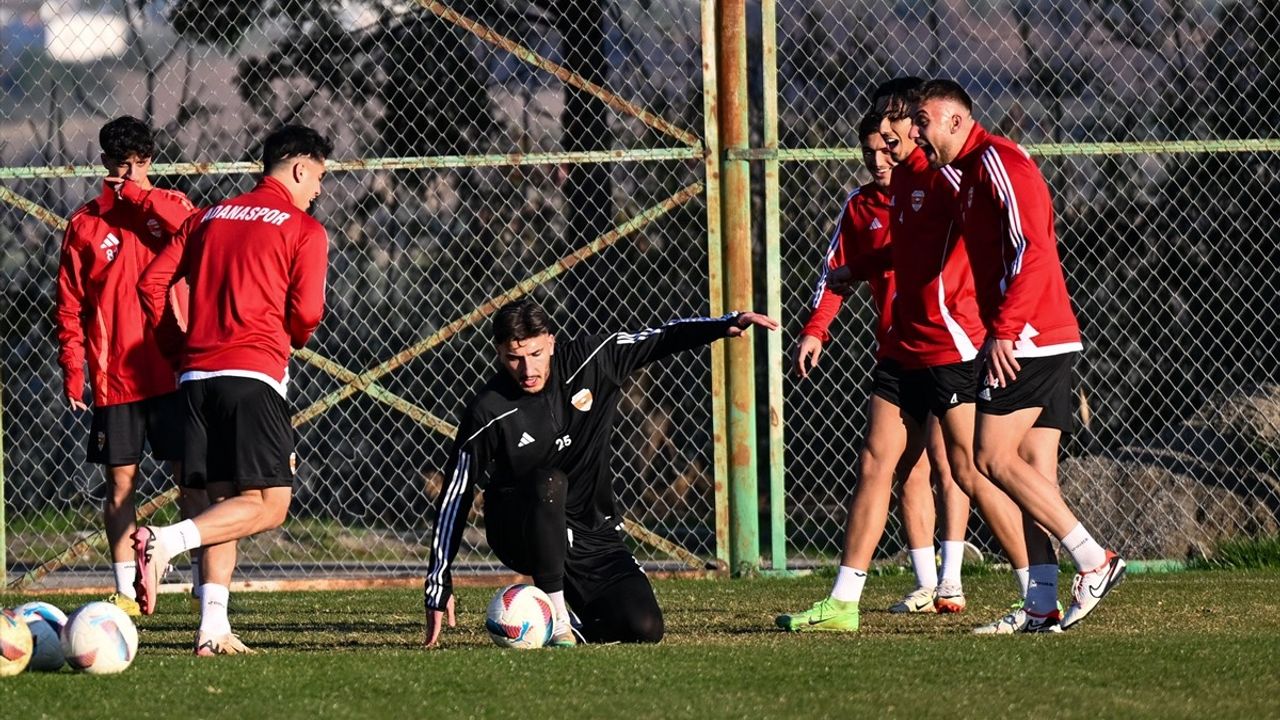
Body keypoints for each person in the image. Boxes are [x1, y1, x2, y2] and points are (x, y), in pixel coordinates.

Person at [777, 78, 1029, 634]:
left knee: (969, 466)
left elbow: (997, 238)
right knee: (875, 463)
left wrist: (1001, 320)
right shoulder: (887, 191)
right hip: (899, 351)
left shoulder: (946, 178)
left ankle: (1038, 589)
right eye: (879, 130)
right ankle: (844, 603)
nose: (885, 139)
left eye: (895, 124)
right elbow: (894, 251)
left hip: (950, 347)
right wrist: (831, 306)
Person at [424, 299, 778, 647]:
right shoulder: (488, 409)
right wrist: (439, 583)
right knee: (550, 482)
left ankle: (562, 625)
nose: (527, 370)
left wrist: (721, 325)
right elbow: (457, 492)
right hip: (520, 528)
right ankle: (558, 620)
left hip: (590, 529)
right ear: (499, 353)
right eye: (513, 358)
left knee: (644, 627)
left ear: (551, 340)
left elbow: (657, 338)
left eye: (535, 354)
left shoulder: (594, 360)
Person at [908, 79, 1125, 631]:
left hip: (1028, 338)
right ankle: (1040, 604)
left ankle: (1094, 559)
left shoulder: (1000, 161)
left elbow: (1035, 248)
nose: (915, 132)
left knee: (988, 459)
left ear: (957, 122)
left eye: (923, 120)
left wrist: (1003, 330)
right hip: (1031, 336)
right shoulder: (964, 177)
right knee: (1026, 474)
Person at [134, 124, 332, 655]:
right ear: (297, 168)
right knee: (270, 505)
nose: (318, 189)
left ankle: (212, 629)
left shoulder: (206, 217)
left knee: (221, 503)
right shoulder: (303, 228)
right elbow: (308, 313)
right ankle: (165, 541)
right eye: (318, 176)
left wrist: (179, 349)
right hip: (252, 375)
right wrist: (293, 333)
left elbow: (150, 284)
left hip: (195, 381)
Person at [790, 110, 971, 615]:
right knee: (893, 464)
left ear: (909, 140)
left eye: (887, 147)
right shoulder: (859, 205)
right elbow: (836, 275)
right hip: (895, 351)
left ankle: (956, 579)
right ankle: (921, 583)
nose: (878, 158)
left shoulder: (937, 187)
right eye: (868, 150)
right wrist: (815, 330)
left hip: (947, 346)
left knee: (949, 458)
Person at [55, 116, 205, 617]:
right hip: (115, 376)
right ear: (105, 165)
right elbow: (70, 304)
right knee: (121, 482)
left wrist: (141, 197)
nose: (133, 175)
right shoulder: (85, 224)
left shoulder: (171, 208)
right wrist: (72, 368)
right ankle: (125, 588)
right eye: (123, 166)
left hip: (173, 369)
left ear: (151, 162)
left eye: (141, 165)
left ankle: (204, 584)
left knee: (192, 478)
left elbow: (194, 229)